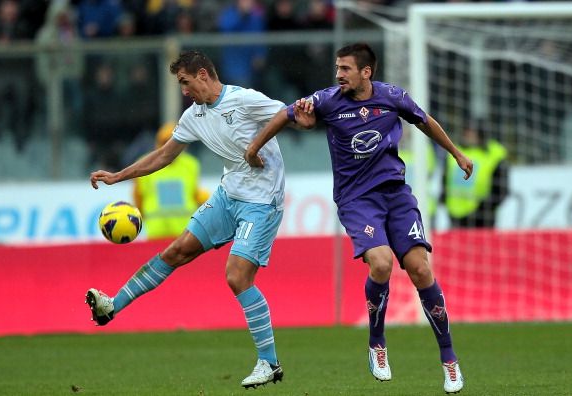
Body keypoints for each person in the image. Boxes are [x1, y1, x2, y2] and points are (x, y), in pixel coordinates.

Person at [244, 43, 473, 394]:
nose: (338, 74)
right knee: (380, 264)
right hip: (357, 200)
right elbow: (285, 116)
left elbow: (425, 121)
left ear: (366, 72)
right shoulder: (327, 101)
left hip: (396, 194)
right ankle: (377, 343)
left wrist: (456, 153)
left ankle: (449, 359)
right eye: (337, 67)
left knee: (421, 269)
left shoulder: (392, 97)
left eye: (346, 68)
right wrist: (254, 148)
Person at [87, 50, 289, 389]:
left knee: (237, 275)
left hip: (261, 202)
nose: (183, 90)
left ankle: (269, 363)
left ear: (203, 76)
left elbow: (287, 113)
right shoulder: (194, 115)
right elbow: (164, 155)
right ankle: (111, 306)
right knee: (176, 251)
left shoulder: (244, 100)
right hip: (229, 196)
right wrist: (118, 176)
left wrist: (255, 147)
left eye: (185, 82)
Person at [132, 121, 209, 240]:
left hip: (184, 229)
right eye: (165, 142)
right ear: (158, 143)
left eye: (174, 142)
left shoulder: (191, 164)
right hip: (156, 230)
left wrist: (205, 199)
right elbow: (138, 196)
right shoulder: (144, 163)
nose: (169, 147)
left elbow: (194, 193)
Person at [443, 119, 509, 228]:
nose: (468, 135)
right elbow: (445, 178)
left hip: (482, 217)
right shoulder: (455, 151)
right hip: (455, 214)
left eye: (472, 132)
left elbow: (501, 189)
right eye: (466, 131)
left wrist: (485, 207)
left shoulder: (495, 154)